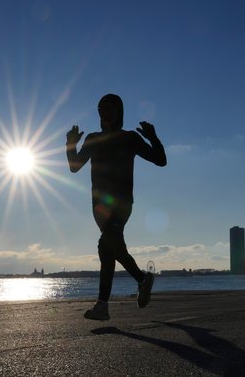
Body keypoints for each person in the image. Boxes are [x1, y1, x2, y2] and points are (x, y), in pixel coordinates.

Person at [66, 94, 167, 321]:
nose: (105, 114)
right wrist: (70, 144)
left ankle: (142, 279)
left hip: (121, 203)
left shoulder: (129, 138)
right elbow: (74, 166)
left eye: (110, 109)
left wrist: (153, 138)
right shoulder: (93, 138)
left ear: (119, 112)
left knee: (108, 240)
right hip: (98, 207)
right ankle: (103, 306)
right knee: (106, 250)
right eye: (101, 110)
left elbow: (160, 160)